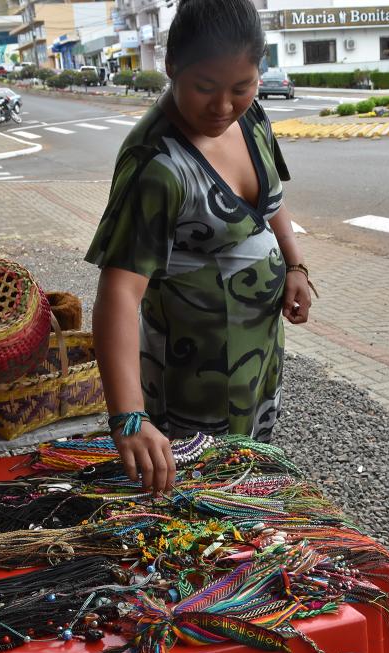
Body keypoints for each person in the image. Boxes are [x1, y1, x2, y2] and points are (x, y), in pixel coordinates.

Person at [84, 0, 313, 496]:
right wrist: (128, 418)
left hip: (256, 360)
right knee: (202, 506)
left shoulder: (252, 119)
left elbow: (271, 201)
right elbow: (119, 294)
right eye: (205, 88)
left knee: (248, 480)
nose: (224, 107)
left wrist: (295, 264)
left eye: (242, 87)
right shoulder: (155, 165)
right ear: (171, 69)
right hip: (191, 380)